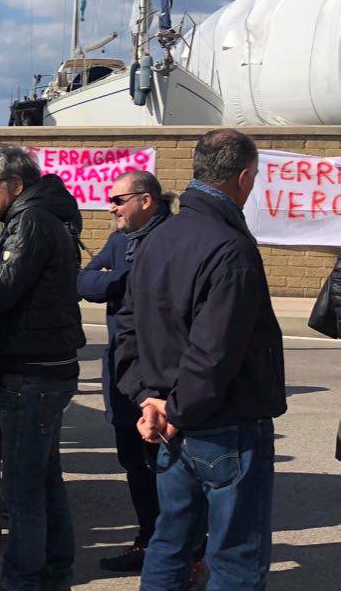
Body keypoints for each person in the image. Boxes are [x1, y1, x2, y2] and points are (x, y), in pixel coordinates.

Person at [115, 129, 286, 590]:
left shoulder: (157, 238)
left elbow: (128, 330)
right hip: (218, 423)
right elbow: (213, 352)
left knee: (171, 543)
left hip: (176, 417)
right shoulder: (231, 248)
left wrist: (151, 400)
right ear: (245, 179)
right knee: (234, 556)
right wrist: (161, 404)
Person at [0, 146, 85, 591]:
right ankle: (56, 571)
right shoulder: (47, 216)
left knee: (24, 489)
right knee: (45, 479)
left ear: (15, 184)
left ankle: (21, 581)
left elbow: (1, 292)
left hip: (30, 370)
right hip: (46, 366)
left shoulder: (29, 221)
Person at [76, 171, 172, 571]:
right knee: (133, 459)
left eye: (118, 200)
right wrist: (123, 280)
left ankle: (177, 544)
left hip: (158, 370)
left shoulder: (171, 237)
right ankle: (148, 538)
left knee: (164, 461)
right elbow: (84, 282)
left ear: (145, 200)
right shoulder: (119, 240)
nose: (110, 207)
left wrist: (112, 282)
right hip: (121, 366)